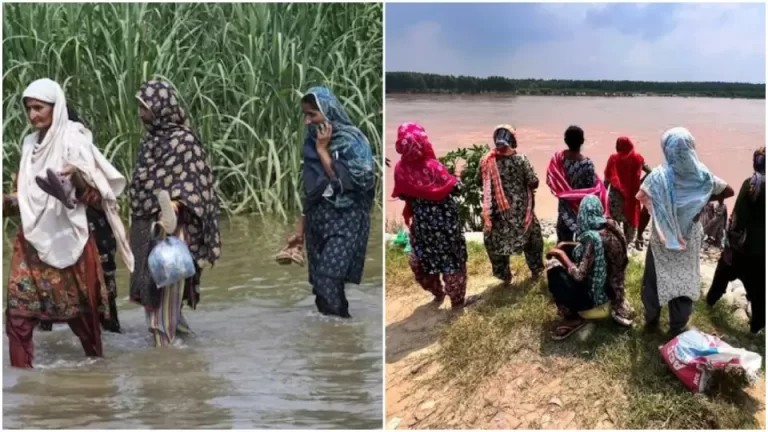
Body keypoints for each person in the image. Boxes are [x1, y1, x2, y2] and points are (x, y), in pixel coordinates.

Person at [4, 78, 132, 368]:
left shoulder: (74, 140)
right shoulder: (28, 145)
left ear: (56, 107)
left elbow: (100, 199)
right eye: (28, 109)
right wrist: (8, 201)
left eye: (39, 108)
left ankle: (98, 374)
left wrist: (75, 177)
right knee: (18, 318)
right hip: (32, 241)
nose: (33, 115)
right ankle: (23, 382)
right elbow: (24, 197)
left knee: (84, 319)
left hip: (69, 238)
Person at [128, 80, 221, 346]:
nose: (140, 114)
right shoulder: (150, 142)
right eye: (139, 107)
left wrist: (175, 207)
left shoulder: (184, 141)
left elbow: (198, 185)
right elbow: (141, 185)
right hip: (147, 227)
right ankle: (180, 346)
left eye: (144, 108)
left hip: (174, 230)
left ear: (161, 107)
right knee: (156, 292)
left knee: (164, 295)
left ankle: (165, 362)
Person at [284, 86, 374, 318]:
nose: (307, 121)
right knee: (320, 287)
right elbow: (313, 191)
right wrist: (299, 233)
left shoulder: (352, 141)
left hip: (346, 219)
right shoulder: (310, 143)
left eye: (312, 114)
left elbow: (352, 181)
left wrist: (323, 150)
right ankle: (338, 341)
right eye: (305, 115)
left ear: (328, 111)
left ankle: (343, 331)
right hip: (318, 222)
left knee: (328, 278)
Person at [637, 127, 733, 336]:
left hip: (661, 239)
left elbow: (645, 208)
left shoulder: (657, 177)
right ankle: (677, 326)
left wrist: (638, 235)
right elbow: (728, 190)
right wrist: (699, 200)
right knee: (683, 278)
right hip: (688, 239)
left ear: (667, 149)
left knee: (655, 278)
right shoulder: (701, 175)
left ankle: (652, 320)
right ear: (690, 147)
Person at [391, 122, 478, 309]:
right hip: (445, 223)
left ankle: (437, 293)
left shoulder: (400, 169)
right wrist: (458, 176)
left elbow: (402, 194)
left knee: (424, 259)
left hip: (422, 224)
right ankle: (457, 301)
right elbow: (456, 189)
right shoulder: (432, 167)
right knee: (452, 261)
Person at [707, 147, 765, 333]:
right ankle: (756, 327)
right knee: (759, 292)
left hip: (742, 249)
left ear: (755, 162)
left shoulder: (752, 185)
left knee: (722, 274)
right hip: (762, 253)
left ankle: (708, 305)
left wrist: (729, 243)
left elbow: (738, 218)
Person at [481, 125, 544, 283]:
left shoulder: (487, 160)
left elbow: (479, 181)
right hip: (520, 212)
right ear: (512, 139)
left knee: (494, 239)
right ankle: (536, 271)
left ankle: (505, 276)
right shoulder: (520, 159)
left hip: (498, 214)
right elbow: (533, 182)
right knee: (533, 238)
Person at [544, 195, 612, 340]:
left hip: (595, 304)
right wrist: (566, 245)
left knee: (554, 272)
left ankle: (574, 317)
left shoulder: (592, 239)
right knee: (570, 252)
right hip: (609, 294)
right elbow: (587, 249)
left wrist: (560, 254)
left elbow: (579, 276)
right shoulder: (606, 231)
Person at [546, 126, 608, 243]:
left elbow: (551, 180)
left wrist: (567, 192)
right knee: (583, 241)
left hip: (565, 207)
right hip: (582, 208)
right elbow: (592, 189)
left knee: (564, 240)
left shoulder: (558, 160)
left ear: (565, 141)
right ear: (582, 141)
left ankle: (564, 258)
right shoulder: (587, 164)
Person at [603, 136, 652, 248]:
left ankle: (616, 252)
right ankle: (624, 249)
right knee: (629, 230)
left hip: (615, 201)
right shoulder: (638, 158)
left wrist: (602, 199)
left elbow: (606, 181)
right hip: (631, 200)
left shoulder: (613, 158)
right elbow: (651, 172)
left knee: (614, 230)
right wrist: (640, 183)